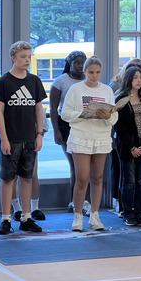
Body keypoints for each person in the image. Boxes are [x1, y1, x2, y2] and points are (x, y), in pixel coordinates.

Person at [0, 41, 47, 235]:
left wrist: (39, 134)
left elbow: (38, 108)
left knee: (27, 177)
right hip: (12, 137)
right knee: (8, 177)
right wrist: (4, 138)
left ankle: (26, 217)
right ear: (13, 58)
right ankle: (6, 218)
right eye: (23, 56)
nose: (27, 60)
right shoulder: (4, 81)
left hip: (29, 137)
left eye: (29, 56)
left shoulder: (34, 81)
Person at [61, 56, 118, 232]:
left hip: (101, 136)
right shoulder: (75, 89)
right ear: (85, 72)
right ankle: (78, 216)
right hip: (81, 136)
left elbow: (114, 115)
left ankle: (95, 215)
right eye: (91, 72)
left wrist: (107, 116)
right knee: (82, 178)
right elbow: (65, 113)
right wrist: (83, 113)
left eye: (97, 72)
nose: (94, 76)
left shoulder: (107, 90)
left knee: (98, 177)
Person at [110, 58, 141, 217]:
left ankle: (140, 211)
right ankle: (127, 212)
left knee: (140, 181)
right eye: (135, 78)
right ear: (128, 79)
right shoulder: (121, 100)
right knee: (128, 181)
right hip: (127, 148)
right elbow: (120, 127)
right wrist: (131, 146)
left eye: (140, 77)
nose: (138, 81)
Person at [49, 50, 91, 214]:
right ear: (70, 63)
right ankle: (77, 201)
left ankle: (80, 200)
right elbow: (53, 108)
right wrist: (56, 131)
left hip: (86, 124)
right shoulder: (61, 81)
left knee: (86, 167)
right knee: (76, 165)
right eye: (77, 63)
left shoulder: (88, 81)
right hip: (66, 125)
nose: (81, 66)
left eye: (83, 63)